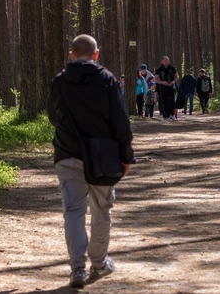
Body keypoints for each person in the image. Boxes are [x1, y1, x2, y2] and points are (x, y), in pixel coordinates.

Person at [47, 34, 134, 289]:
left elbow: (53, 116)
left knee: (73, 212)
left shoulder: (59, 81)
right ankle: (98, 262)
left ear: (71, 54)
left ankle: (77, 268)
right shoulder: (106, 79)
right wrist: (126, 155)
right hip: (103, 156)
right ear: (96, 54)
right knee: (102, 208)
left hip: (67, 154)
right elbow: (120, 120)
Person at [153, 56, 178, 121]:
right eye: (165, 61)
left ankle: (172, 115)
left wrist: (173, 82)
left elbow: (177, 76)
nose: (166, 62)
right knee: (164, 102)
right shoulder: (159, 69)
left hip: (171, 87)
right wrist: (163, 82)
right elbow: (155, 80)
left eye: (167, 61)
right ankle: (166, 116)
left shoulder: (172, 68)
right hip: (163, 88)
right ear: (162, 61)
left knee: (172, 101)